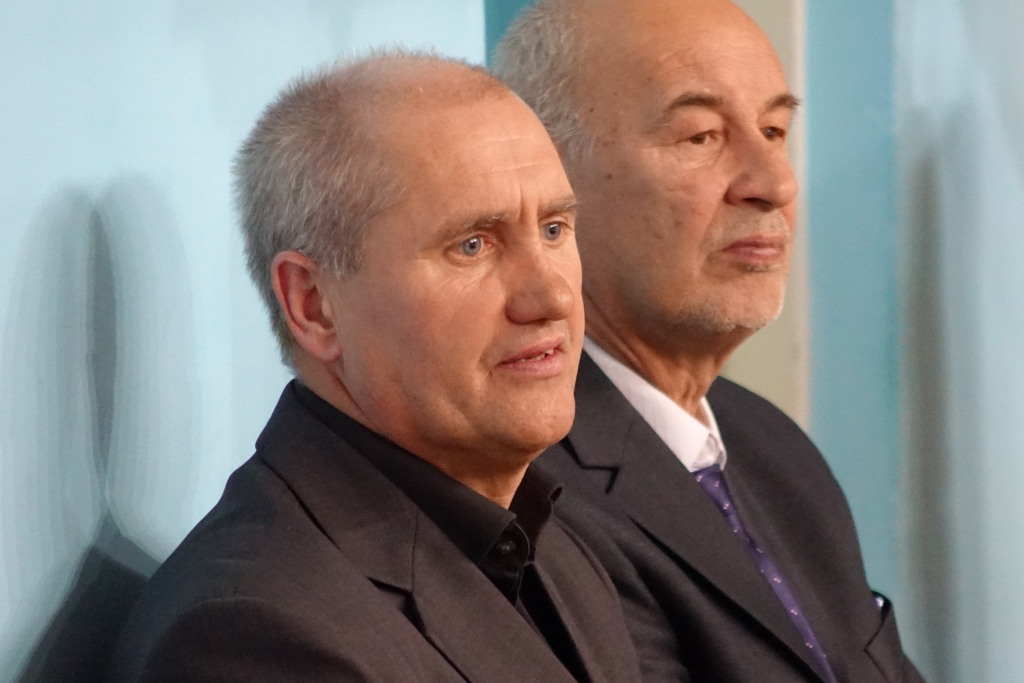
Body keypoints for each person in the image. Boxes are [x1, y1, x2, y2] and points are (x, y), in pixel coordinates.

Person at [107, 52, 643, 683]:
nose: (552, 297)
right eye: (473, 245)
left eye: (554, 229)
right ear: (315, 306)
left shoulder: (556, 545)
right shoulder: (253, 634)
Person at [493, 1, 926, 682]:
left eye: (775, 130)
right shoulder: (527, 494)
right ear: (549, 182)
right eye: (700, 136)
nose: (774, 183)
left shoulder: (774, 446)